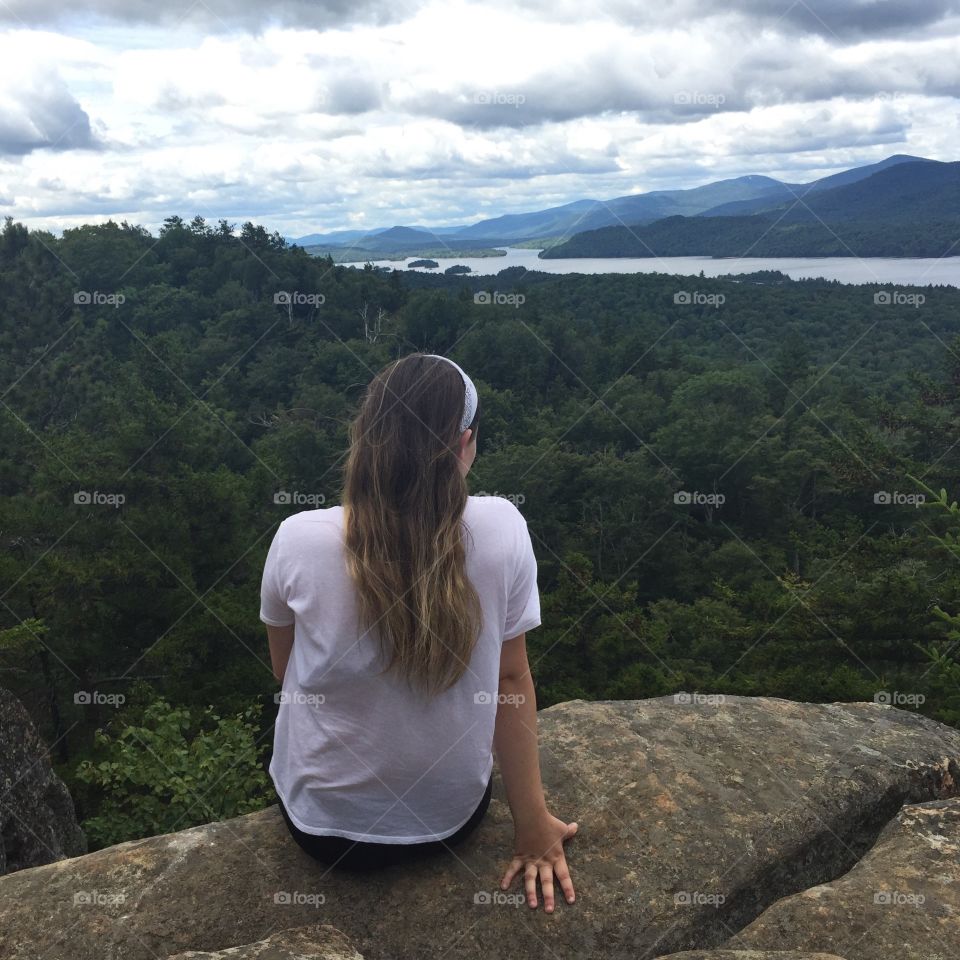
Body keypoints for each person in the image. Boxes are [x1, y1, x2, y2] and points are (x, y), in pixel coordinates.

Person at [259, 352, 577, 912]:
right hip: (448, 823)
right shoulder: (502, 528)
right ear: (464, 443)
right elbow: (509, 679)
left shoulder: (298, 538)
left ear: (366, 438)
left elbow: (285, 672)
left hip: (322, 831)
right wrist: (534, 828)